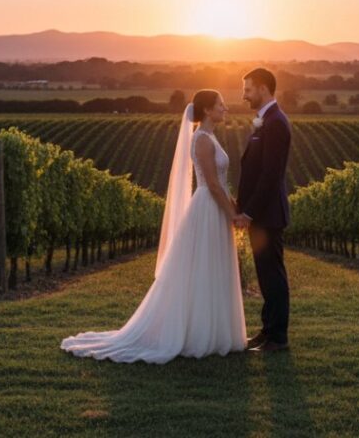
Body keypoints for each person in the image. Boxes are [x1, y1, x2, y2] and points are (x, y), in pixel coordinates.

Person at [60, 90, 246, 364]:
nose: (225, 108)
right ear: (207, 110)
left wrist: (236, 208)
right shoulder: (203, 140)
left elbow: (222, 182)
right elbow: (213, 185)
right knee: (204, 267)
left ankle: (214, 330)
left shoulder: (211, 137)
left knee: (213, 266)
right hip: (208, 207)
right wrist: (233, 214)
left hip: (215, 207)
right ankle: (200, 333)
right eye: (221, 105)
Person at [235, 67, 292, 352]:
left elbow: (270, 175)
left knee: (273, 276)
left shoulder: (276, 123)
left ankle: (278, 337)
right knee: (265, 275)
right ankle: (267, 331)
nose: (244, 96)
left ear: (263, 89)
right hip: (263, 215)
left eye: (247, 90)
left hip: (267, 215)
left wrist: (249, 212)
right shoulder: (266, 120)